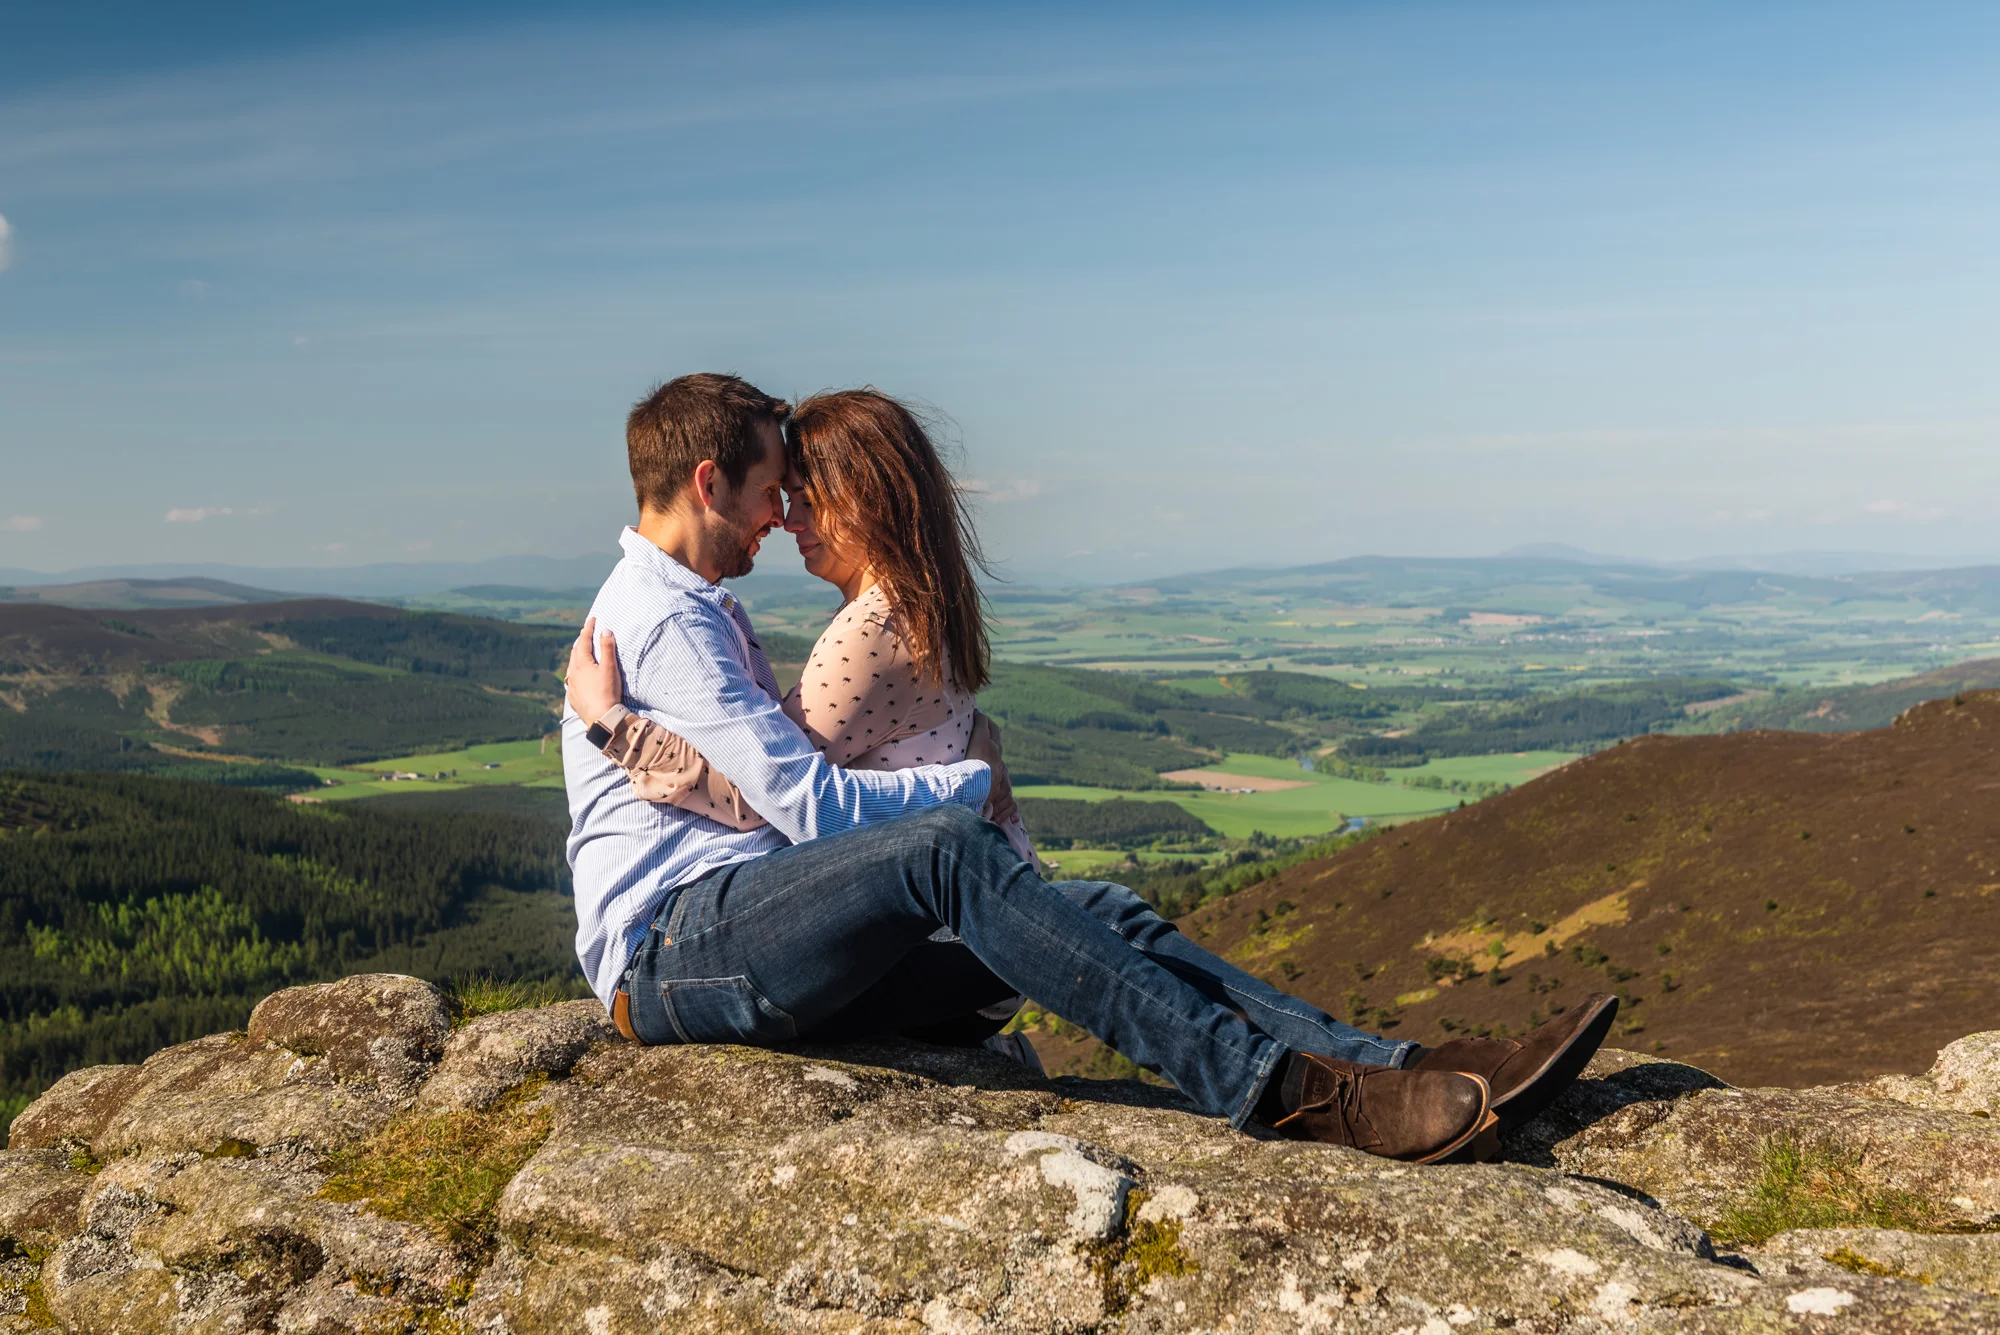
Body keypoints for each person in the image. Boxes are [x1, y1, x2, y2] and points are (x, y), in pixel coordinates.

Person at [563, 372, 1616, 1164]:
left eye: (793, 495)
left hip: (743, 931)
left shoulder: (702, 613)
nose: (777, 514)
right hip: (675, 949)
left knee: (1095, 909)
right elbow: (802, 808)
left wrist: (627, 738)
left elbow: (765, 795)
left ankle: (1396, 1065)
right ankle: (1291, 1093)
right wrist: (962, 783)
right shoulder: (666, 623)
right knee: (946, 853)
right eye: (768, 490)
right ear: (710, 482)